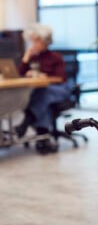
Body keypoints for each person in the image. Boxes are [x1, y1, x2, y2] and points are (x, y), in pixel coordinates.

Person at [15, 24, 70, 153]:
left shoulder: (55, 57)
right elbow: (19, 74)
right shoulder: (33, 57)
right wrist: (26, 56)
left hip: (59, 90)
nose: (33, 43)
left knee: (43, 94)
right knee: (42, 99)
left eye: (36, 40)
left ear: (45, 41)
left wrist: (43, 76)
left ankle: (26, 123)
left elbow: (61, 77)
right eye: (32, 40)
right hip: (42, 93)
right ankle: (43, 138)